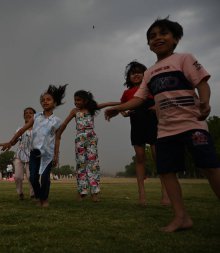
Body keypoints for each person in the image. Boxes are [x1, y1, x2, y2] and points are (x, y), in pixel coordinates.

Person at [105, 18, 220, 232]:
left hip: (192, 123)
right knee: (166, 171)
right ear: (148, 44)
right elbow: (139, 99)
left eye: (163, 33)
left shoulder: (184, 59)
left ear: (175, 39)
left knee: (210, 167)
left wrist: (205, 101)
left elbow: (202, 82)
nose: (157, 38)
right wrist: (118, 108)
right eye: (152, 36)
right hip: (165, 130)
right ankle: (181, 217)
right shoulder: (150, 73)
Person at [0, 84, 67, 207]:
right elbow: (22, 130)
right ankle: (39, 196)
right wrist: (11, 142)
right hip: (34, 152)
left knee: (45, 178)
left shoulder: (57, 121)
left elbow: (58, 138)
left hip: (48, 154)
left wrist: (56, 155)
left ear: (54, 103)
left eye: (48, 100)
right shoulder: (36, 117)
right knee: (33, 178)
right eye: (43, 100)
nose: (45, 102)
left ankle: (44, 200)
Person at [120, 61, 170, 206]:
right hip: (136, 127)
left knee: (158, 157)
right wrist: (124, 113)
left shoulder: (151, 88)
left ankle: (165, 194)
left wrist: (156, 106)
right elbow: (122, 107)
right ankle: (142, 195)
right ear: (128, 77)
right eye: (132, 73)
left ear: (145, 75)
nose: (136, 74)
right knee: (140, 158)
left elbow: (163, 100)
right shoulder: (127, 93)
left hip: (153, 125)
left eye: (139, 72)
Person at [55, 90, 119, 202]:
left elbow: (107, 104)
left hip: (91, 138)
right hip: (79, 138)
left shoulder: (91, 109)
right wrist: (59, 133)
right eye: (75, 100)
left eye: (78, 100)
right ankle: (82, 192)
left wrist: (121, 104)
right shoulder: (74, 111)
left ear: (85, 100)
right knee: (81, 165)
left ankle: (95, 193)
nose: (76, 102)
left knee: (93, 164)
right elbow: (65, 123)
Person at [12, 107, 36, 200]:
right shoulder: (20, 129)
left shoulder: (37, 129)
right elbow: (14, 141)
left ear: (35, 116)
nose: (28, 114)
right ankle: (20, 193)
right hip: (19, 155)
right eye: (26, 113)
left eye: (30, 113)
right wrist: (8, 143)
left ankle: (32, 194)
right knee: (18, 176)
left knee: (31, 176)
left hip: (32, 155)